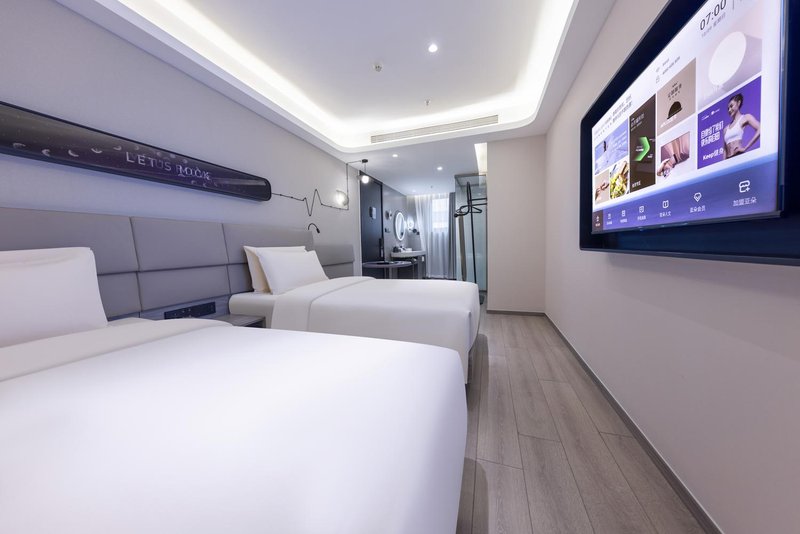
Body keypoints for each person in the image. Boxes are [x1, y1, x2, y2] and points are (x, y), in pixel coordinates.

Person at [723, 93, 761, 159]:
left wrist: (745, 148)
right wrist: (723, 163)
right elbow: (724, 149)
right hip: (728, 159)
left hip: (738, 156)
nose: (729, 110)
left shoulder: (745, 118)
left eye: (731, 106)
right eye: (728, 108)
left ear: (738, 103)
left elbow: (760, 128)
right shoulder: (725, 129)